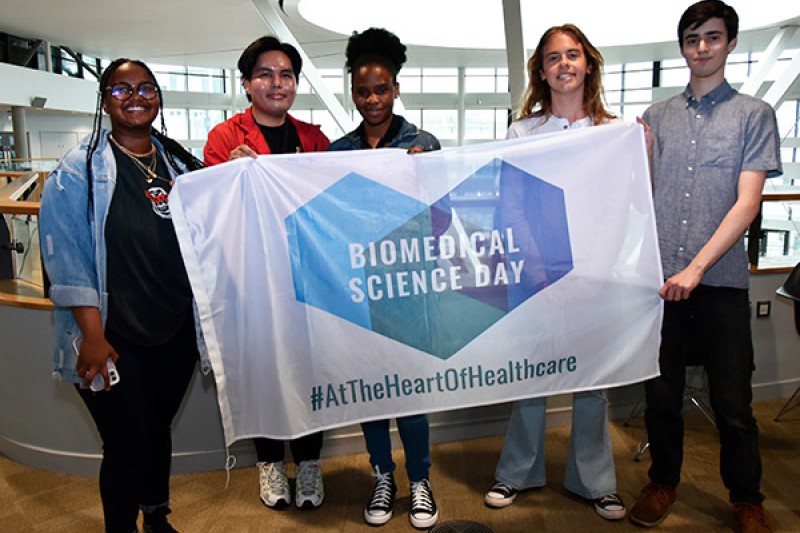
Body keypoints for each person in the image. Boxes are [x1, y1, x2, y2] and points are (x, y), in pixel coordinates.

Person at [629, 2, 782, 532]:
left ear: (731, 44)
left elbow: (747, 203)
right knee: (662, 395)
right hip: (658, 283)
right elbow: (636, 196)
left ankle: (747, 499)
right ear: (682, 46)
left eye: (713, 38)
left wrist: (694, 268)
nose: (701, 48)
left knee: (734, 402)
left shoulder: (755, 115)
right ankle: (663, 482)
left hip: (719, 284)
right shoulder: (655, 118)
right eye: (692, 38)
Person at [39, 58, 206, 533]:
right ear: (105, 100)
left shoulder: (176, 162)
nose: (136, 97)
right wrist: (92, 335)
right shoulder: (79, 170)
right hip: (113, 335)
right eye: (121, 89)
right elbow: (66, 257)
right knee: (126, 441)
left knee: (156, 431)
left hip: (174, 329)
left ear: (159, 96)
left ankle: (156, 515)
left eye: (146, 88)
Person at [482, 24, 626, 521]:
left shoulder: (615, 132)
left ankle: (595, 482)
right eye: (552, 58)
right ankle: (516, 473)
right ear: (541, 72)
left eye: (572, 54)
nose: (564, 64)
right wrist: (543, 274)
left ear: (588, 63)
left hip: (595, 279)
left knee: (592, 385)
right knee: (531, 381)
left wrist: (591, 269)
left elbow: (619, 207)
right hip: (534, 277)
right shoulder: (522, 133)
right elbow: (512, 208)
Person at [203, 36, 329, 511]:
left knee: (309, 371)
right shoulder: (223, 139)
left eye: (286, 75)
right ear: (247, 83)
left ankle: (310, 465)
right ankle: (271, 465)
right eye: (265, 74)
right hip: (250, 281)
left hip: (305, 280)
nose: (277, 84)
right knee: (262, 371)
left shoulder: (314, 139)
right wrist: (229, 178)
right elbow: (210, 213)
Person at [328, 27, 440, 529]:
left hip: (411, 291)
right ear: (352, 92)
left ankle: (420, 480)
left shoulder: (424, 145)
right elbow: (326, 221)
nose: (372, 100)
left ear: (396, 88)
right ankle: (382, 475)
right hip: (360, 290)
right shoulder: (338, 152)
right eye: (362, 91)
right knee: (371, 391)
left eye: (381, 89)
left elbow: (445, 222)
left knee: (409, 393)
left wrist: (426, 178)